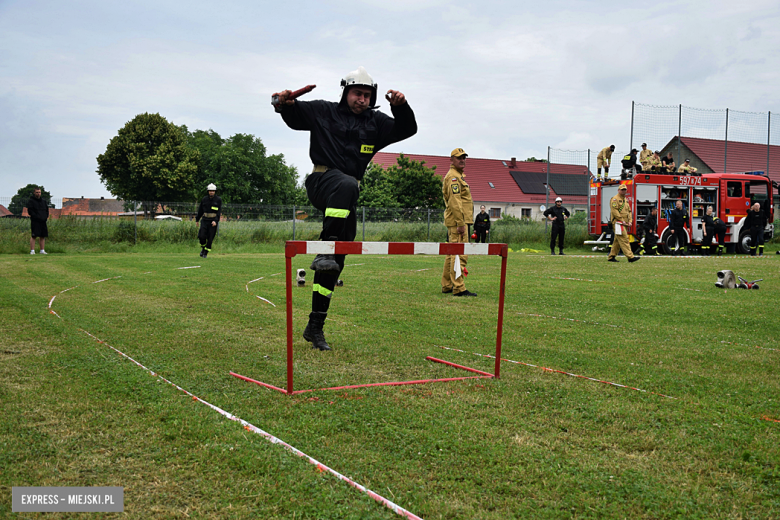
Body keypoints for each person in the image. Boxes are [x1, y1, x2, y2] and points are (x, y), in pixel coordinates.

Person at [274, 66, 417, 350]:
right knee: (347, 186)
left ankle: (315, 327)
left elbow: (407, 129)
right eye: (357, 93)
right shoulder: (324, 111)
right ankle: (325, 245)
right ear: (345, 92)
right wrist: (282, 103)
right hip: (321, 181)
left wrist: (402, 108)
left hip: (346, 198)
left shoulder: (376, 123)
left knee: (336, 263)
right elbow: (291, 113)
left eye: (367, 95)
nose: (361, 99)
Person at [442, 148, 476, 297]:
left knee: (451, 254)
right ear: (451, 160)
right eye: (458, 158)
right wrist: (461, 223)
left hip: (456, 221)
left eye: (464, 158)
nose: (462, 160)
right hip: (458, 222)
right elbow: (455, 202)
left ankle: (447, 284)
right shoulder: (454, 178)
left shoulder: (457, 176)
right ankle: (459, 288)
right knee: (459, 254)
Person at [607, 184, 640, 263]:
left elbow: (629, 211)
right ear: (618, 190)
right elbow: (614, 211)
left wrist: (630, 221)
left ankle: (611, 256)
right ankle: (630, 257)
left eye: (624, 189)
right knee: (624, 239)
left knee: (617, 241)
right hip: (618, 223)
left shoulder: (625, 200)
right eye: (622, 189)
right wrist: (621, 220)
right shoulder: (615, 199)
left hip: (624, 223)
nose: (623, 191)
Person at [195, 183, 222, 258]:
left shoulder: (218, 200)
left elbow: (219, 212)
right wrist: (197, 219)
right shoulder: (204, 199)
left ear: (215, 191)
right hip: (204, 220)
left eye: (213, 191)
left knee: (210, 238)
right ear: (208, 191)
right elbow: (200, 210)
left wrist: (216, 221)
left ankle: (205, 253)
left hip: (213, 221)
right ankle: (203, 248)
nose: (211, 192)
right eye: (210, 191)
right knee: (201, 236)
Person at [26, 187, 49, 255]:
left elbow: (47, 210)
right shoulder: (31, 201)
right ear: (34, 193)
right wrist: (36, 217)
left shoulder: (43, 201)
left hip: (43, 221)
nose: (38, 194)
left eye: (39, 192)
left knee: (42, 236)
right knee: (34, 235)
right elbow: (30, 211)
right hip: (35, 221)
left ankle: (42, 250)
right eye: (37, 192)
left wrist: (45, 217)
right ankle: (32, 250)